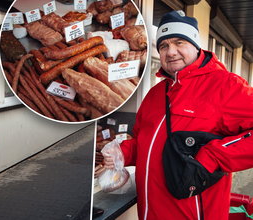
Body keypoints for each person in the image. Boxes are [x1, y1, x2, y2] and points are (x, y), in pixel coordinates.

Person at [104, 10, 253, 220]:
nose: (171, 52)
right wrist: (122, 152)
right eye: (164, 45)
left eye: (179, 42)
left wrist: (213, 156)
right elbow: (146, 142)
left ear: (195, 45)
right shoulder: (156, 93)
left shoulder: (225, 86)